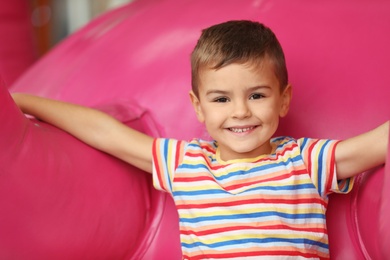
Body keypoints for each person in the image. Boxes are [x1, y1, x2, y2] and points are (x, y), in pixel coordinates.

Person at [12, 20, 389, 259]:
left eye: (257, 95)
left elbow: (377, 143)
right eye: (221, 99)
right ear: (198, 107)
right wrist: (19, 100)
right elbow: (105, 133)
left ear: (283, 99)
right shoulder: (186, 163)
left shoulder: (306, 160)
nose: (240, 111)